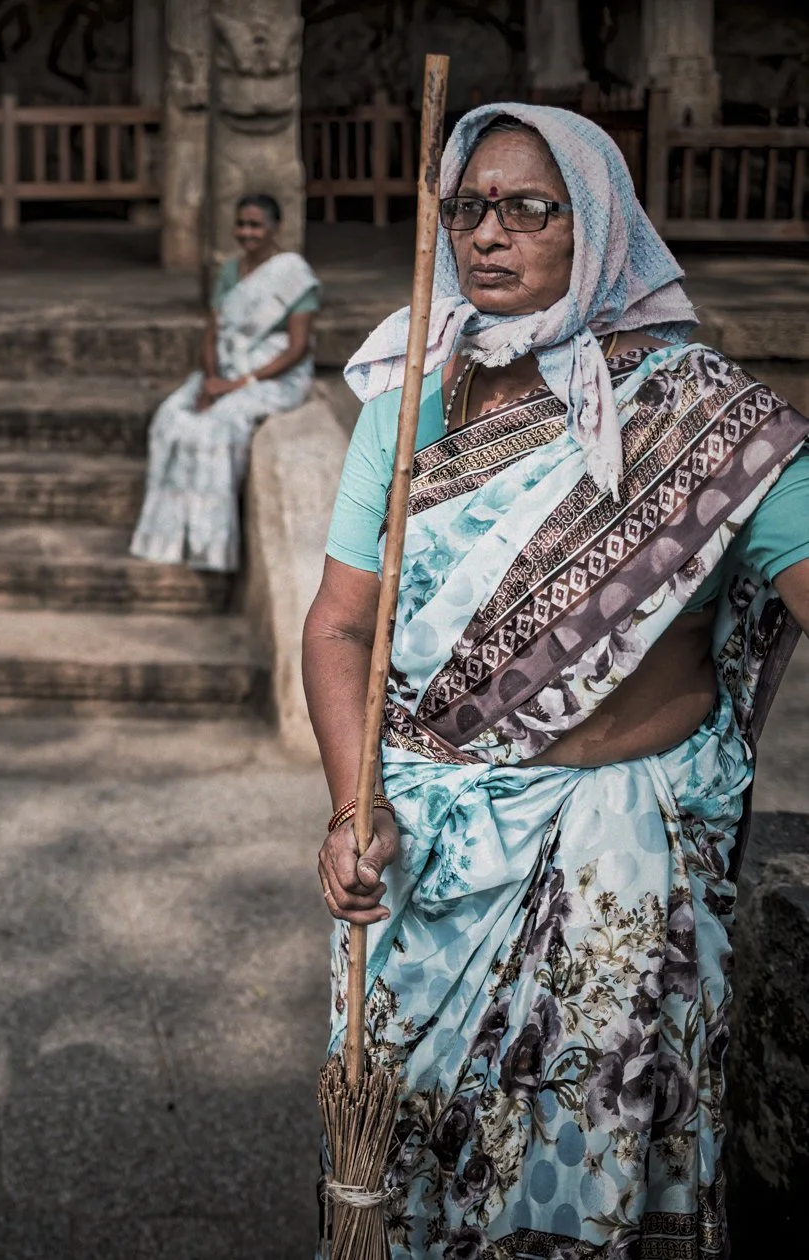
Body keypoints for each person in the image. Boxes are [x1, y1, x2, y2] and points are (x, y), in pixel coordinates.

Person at [305, 105, 809, 1257]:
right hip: (426, 858)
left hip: (613, 861)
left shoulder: (699, 419)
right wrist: (350, 804)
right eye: (467, 208)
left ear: (598, 226)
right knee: (407, 1165)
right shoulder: (407, 401)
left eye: (530, 208)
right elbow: (337, 627)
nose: (490, 234)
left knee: (578, 1177)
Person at [130, 193, 320, 571]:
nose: (246, 232)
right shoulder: (230, 272)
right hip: (226, 373)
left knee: (216, 428)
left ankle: (210, 547)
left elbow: (297, 348)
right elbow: (213, 333)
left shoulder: (294, 276)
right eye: (241, 225)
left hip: (273, 377)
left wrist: (238, 385)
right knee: (170, 418)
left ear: (275, 228)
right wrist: (211, 381)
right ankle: (166, 538)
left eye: (255, 225)